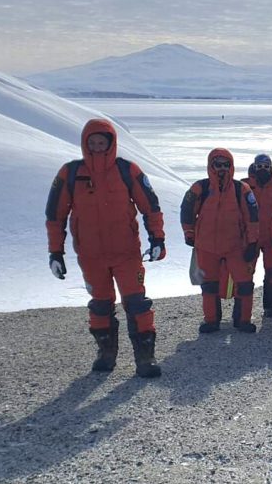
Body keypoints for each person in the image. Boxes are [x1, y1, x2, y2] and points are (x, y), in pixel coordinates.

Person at [46, 118, 165, 378]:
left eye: (102, 142)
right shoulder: (70, 173)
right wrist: (56, 252)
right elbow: (55, 216)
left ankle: (146, 358)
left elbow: (150, 206)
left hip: (126, 253)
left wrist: (158, 239)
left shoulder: (127, 170)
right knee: (100, 305)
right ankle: (106, 354)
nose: (98, 147)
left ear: (111, 143)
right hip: (90, 256)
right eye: (93, 142)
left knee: (137, 304)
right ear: (85, 143)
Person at [181, 148, 260, 333]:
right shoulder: (200, 187)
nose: (222, 169)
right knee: (209, 285)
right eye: (218, 165)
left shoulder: (242, 189)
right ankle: (211, 321)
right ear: (211, 166)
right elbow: (187, 211)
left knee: (245, 284)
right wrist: (189, 234)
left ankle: (243, 320)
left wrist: (252, 242)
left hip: (236, 246)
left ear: (231, 166)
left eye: (226, 165)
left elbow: (253, 217)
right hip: (207, 246)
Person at [241, 154, 272, 318]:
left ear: (270, 167)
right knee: (245, 274)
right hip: (250, 238)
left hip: (271, 238)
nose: (262, 169)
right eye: (259, 166)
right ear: (254, 166)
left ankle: (270, 307)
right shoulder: (243, 185)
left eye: (265, 166)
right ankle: (243, 312)